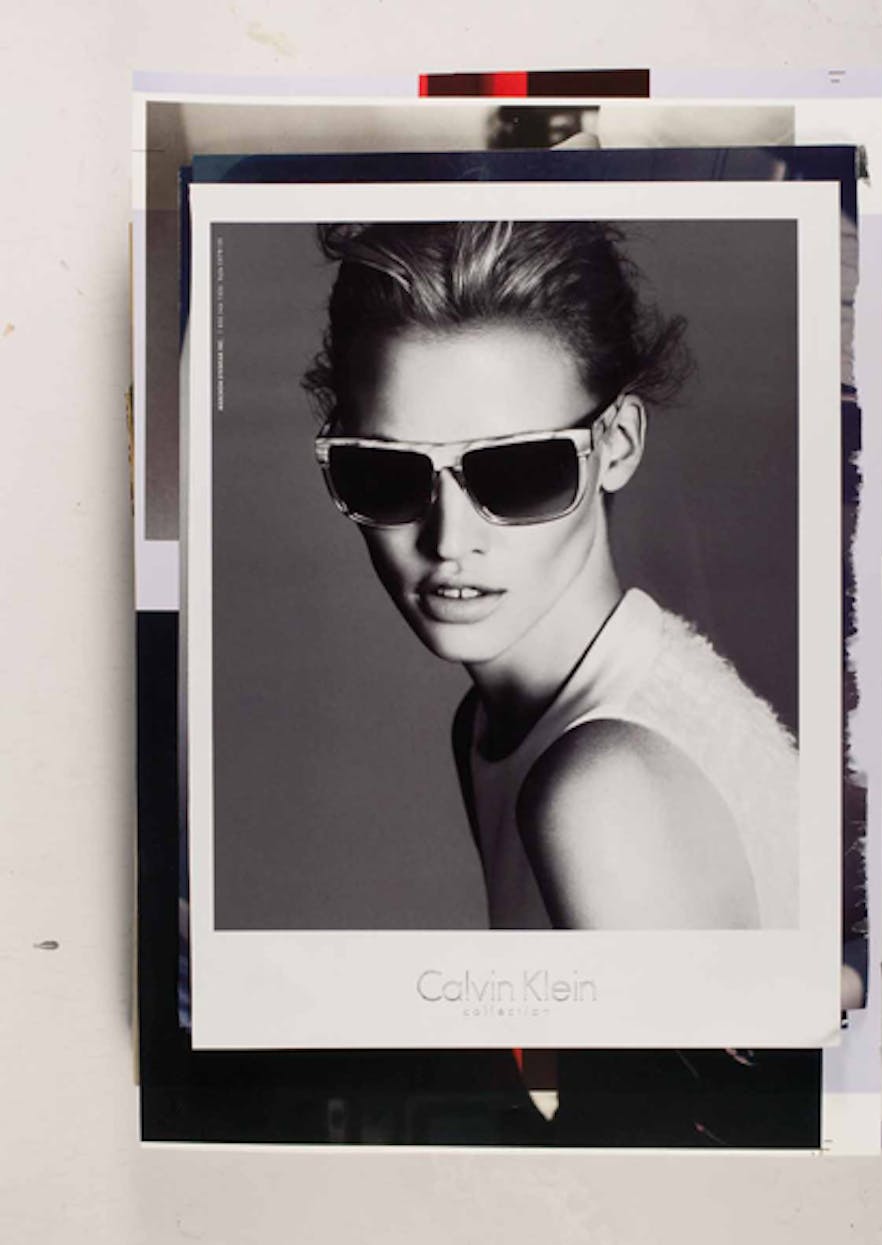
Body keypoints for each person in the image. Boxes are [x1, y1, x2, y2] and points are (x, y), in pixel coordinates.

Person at [303, 219, 798, 931]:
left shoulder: (598, 786)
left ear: (617, 445)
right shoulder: (498, 724)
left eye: (518, 471)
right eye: (385, 473)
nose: (449, 540)